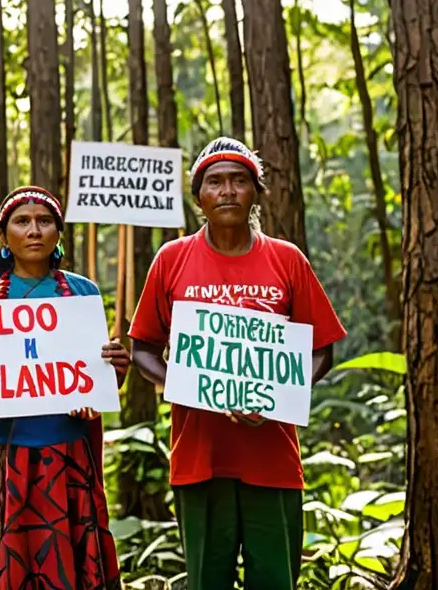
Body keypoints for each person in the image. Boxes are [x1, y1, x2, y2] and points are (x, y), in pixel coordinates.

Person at [129, 138, 347, 589]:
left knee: (276, 579)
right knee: (208, 580)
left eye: (239, 180)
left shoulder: (287, 260)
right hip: (199, 456)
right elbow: (143, 349)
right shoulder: (171, 260)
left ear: (255, 192)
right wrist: (194, 387)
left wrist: (278, 396)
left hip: (273, 457)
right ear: (199, 197)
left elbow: (322, 348)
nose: (227, 190)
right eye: (215, 182)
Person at [0, 186, 127, 590]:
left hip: (70, 452)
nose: (34, 230)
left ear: (59, 232)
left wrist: (113, 372)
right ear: (4, 237)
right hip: (7, 456)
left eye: (44, 221)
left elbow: (96, 376)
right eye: (22, 222)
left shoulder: (82, 292)